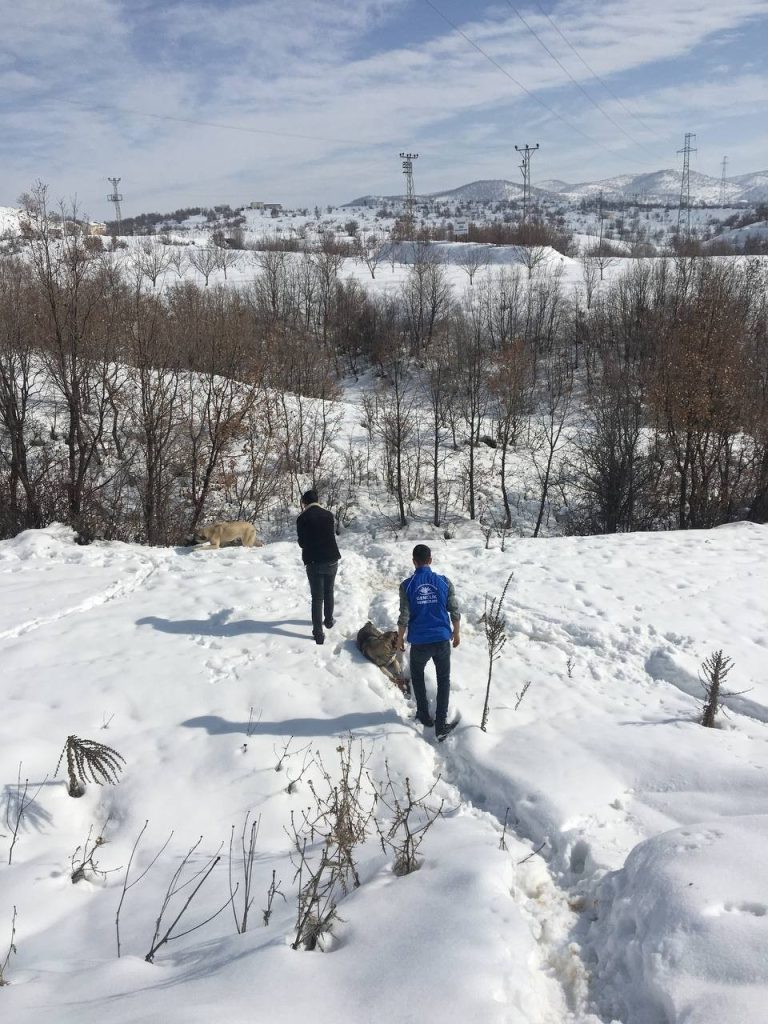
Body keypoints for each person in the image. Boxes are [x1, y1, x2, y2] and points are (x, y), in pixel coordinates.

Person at [397, 544, 460, 739]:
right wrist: (456, 632)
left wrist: (400, 637)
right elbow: (454, 609)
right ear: (430, 560)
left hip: (420, 642)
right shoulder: (444, 582)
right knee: (443, 680)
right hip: (442, 639)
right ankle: (441, 723)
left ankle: (423, 714)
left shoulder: (407, 585)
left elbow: (404, 615)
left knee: (417, 676)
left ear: (414, 561)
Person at [296, 489, 341, 645]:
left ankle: (318, 633)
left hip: (314, 561)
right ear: (318, 500)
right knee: (329, 591)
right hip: (332, 559)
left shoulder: (302, 518)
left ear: (304, 502)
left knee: (317, 598)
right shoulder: (328, 515)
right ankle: (328, 621)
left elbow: (302, 543)